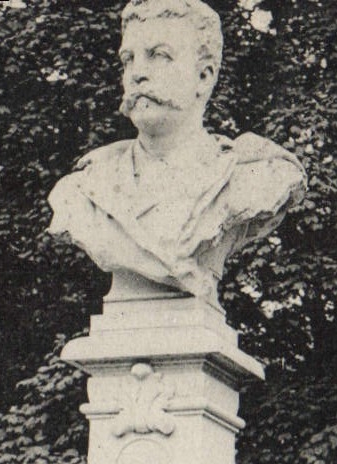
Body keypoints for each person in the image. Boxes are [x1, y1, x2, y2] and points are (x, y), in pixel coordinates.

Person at [48, 0, 306, 306]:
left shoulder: (254, 177)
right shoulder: (82, 189)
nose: (137, 74)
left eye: (159, 55)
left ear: (204, 77)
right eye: (128, 59)